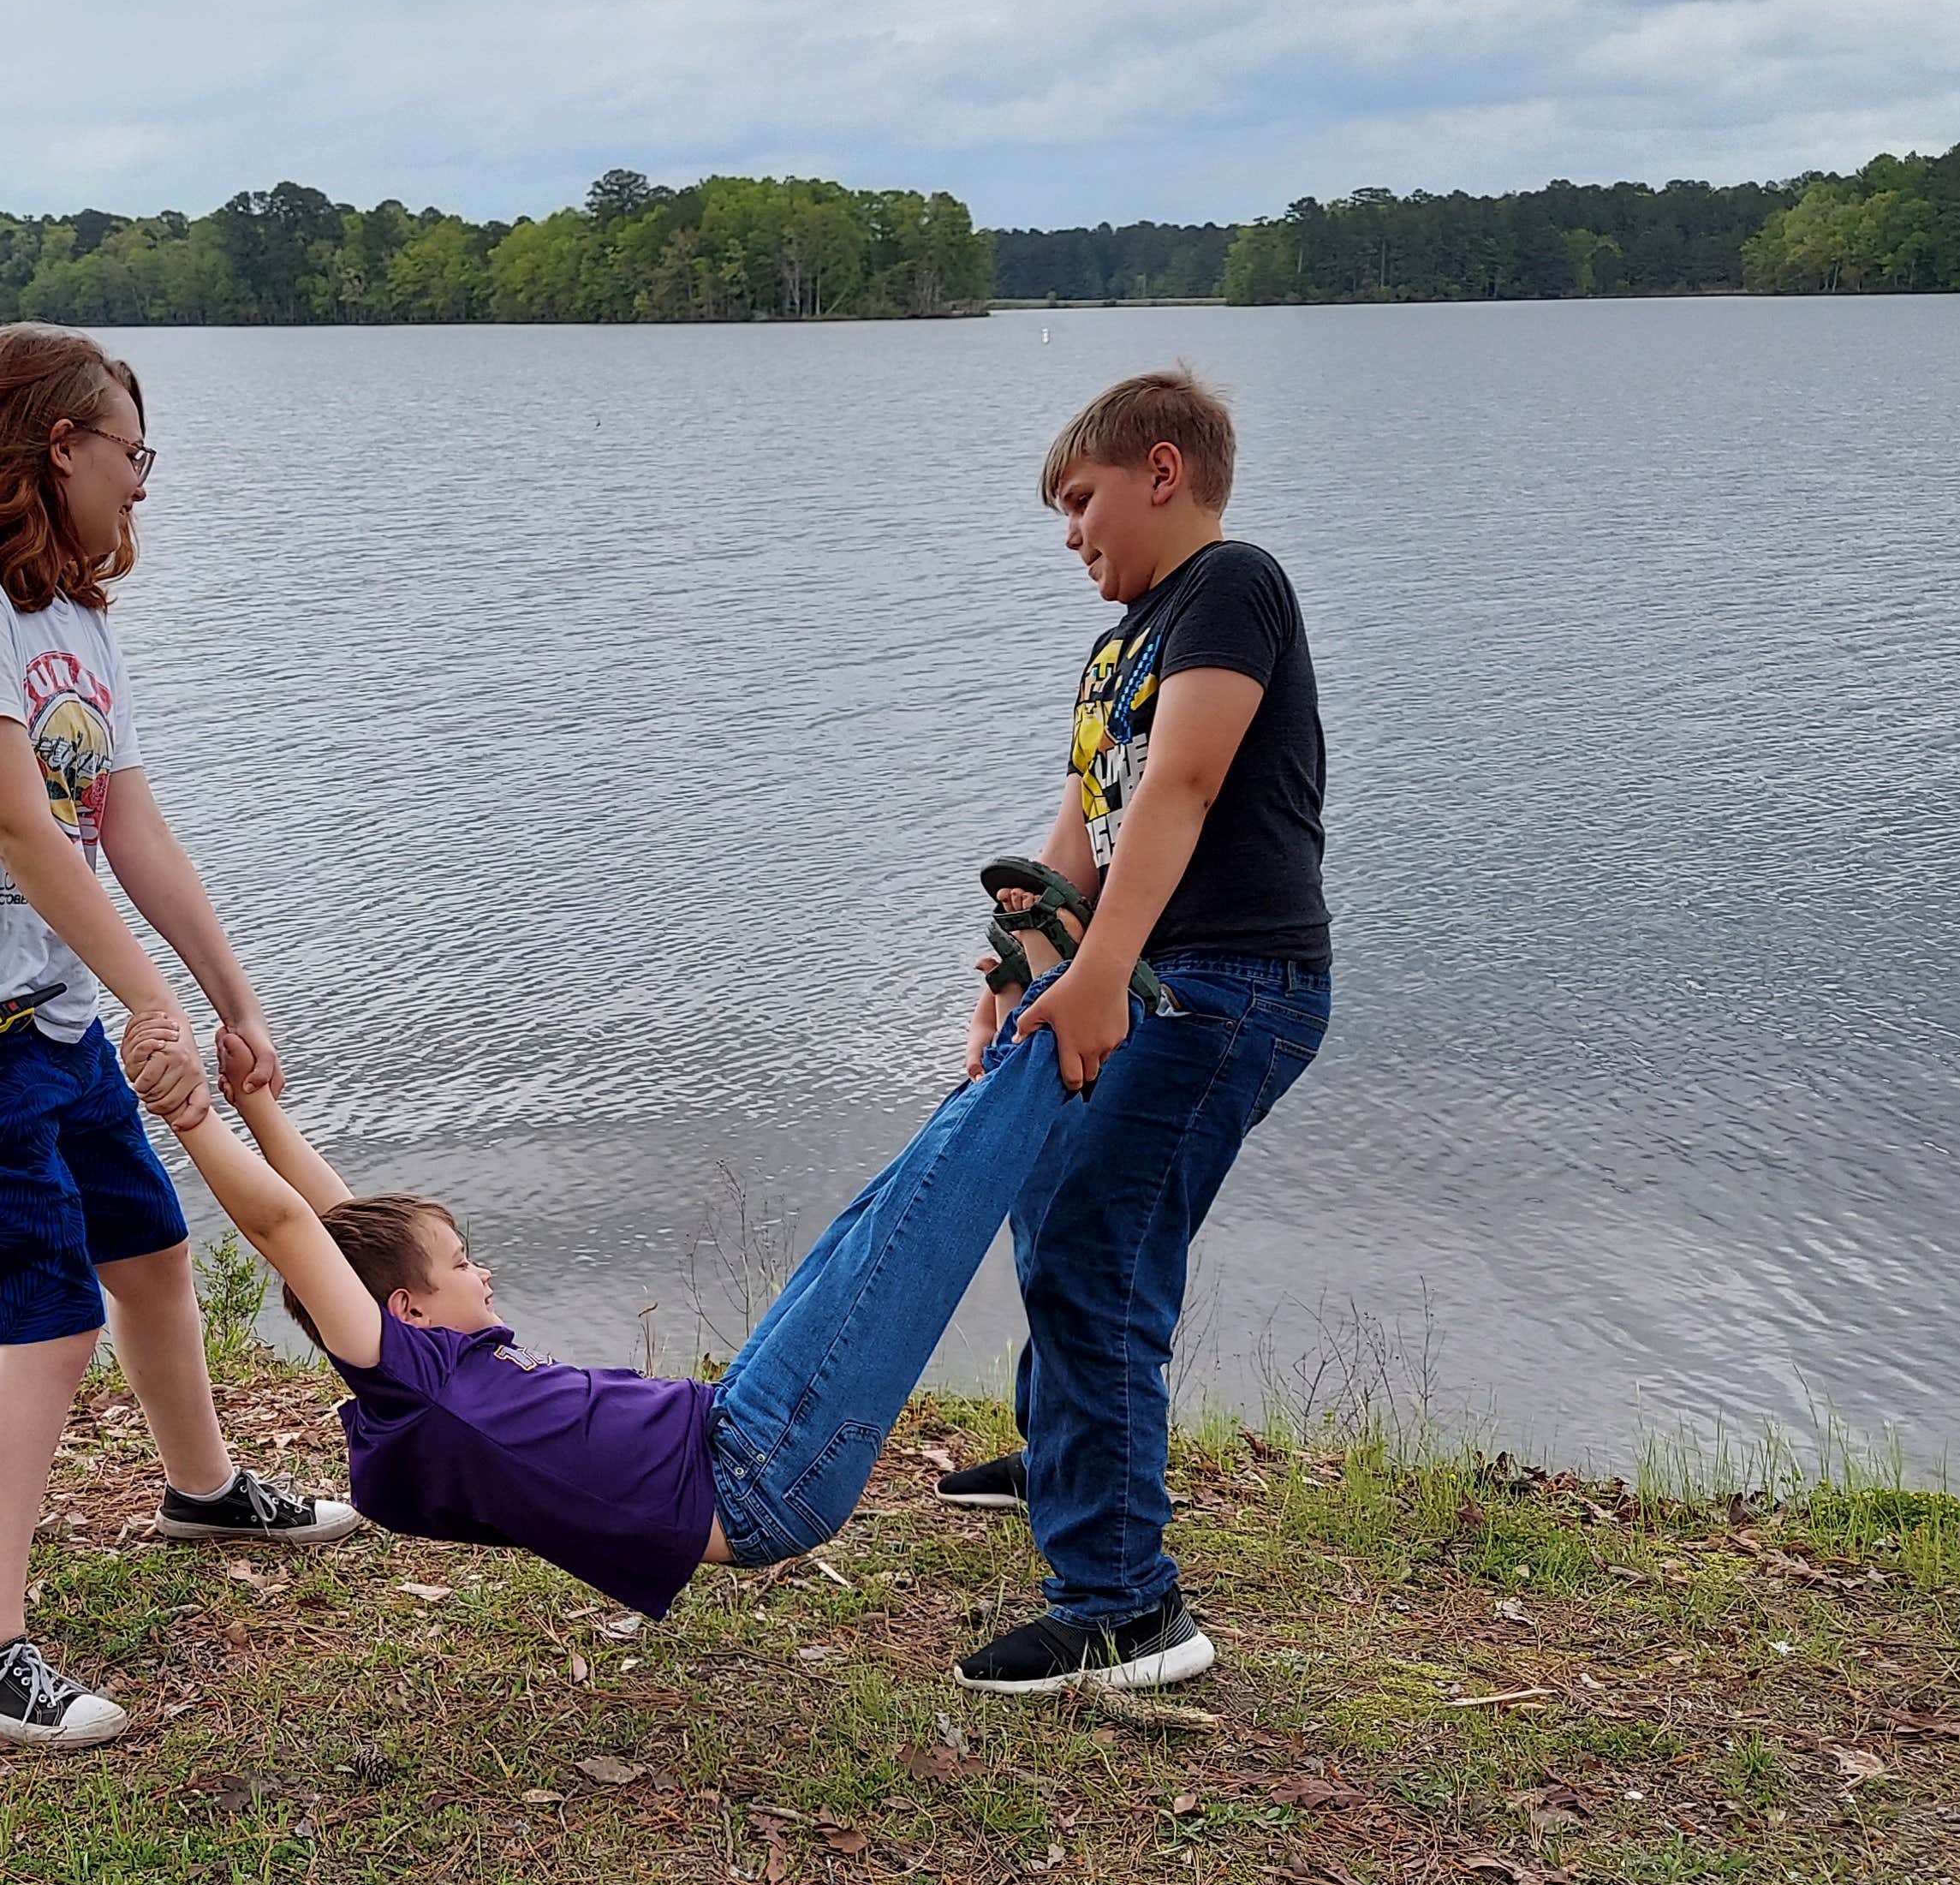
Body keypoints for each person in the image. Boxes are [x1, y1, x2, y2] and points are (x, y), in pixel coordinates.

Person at [0, 325, 358, 1751]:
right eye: (132, 451)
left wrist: (228, 993)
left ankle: (203, 1492)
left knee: (151, 1254)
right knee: (45, 1319)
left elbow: (123, 823)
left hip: (45, 1010)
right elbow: (14, 822)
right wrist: (148, 999)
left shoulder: (72, 617)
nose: (144, 480)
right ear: (58, 445)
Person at [149, 1013, 1084, 1619]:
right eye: (463, 1265)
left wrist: (255, 1104)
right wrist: (193, 1118)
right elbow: (285, 1229)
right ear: (409, 1311)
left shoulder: (421, 1357)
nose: (484, 1273)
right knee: (909, 1241)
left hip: (733, 1428)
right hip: (759, 1478)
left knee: (870, 1232)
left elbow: (334, 1221)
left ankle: (1021, 1035)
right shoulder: (412, 1383)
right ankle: (1058, 1025)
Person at [935, 367, 1332, 1697]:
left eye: (1080, 500)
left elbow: (1186, 780)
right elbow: (1083, 829)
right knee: (1050, 1197)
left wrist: (1104, 970)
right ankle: (1072, 1450)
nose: (1069, 535)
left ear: (1162, 472)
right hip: (1151, 976)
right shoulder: (1121, 646)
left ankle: (1126, 1607)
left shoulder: (1232, 585)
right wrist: (1021, 970)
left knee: (1100, 1244)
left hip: (1228, 984)